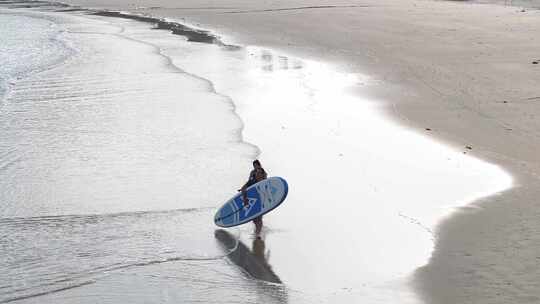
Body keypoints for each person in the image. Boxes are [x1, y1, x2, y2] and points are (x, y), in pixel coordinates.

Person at [239, 159, 267, 234]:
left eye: (256, 165)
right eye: (254, 166)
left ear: (259, 165)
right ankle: (246, 202)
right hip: (252, 188)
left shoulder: (263, 172)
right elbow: (249, 181)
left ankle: (258, 233)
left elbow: (265, 182)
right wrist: (244, 188)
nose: (255, 167)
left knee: (259, 217)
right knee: (255, 219)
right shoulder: (252, 172)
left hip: (260, 193)